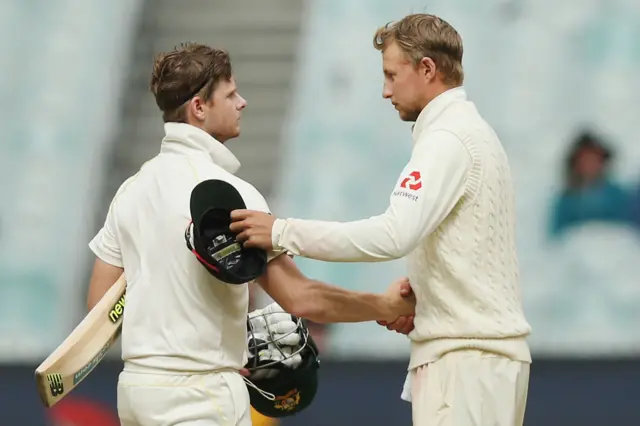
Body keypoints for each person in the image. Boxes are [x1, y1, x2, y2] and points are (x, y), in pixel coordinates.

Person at [86, 42, 415, 426]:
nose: (241, 103)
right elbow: (302, 297)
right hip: (202, 396)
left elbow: (100, 308)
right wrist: (386, 305)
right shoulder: (233, 196)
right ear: (198, 108)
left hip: (137, 392)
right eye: (230, 94)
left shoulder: (130, 191)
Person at [229, 14, 533, 426]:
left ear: (427, 69)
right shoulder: (466, 131)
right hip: (478, 357)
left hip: (467, 360)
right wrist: (428, 295)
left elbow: (393, 234)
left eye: (392, 75)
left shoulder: (448, 138)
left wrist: (282, 231)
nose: (386, 90)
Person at [549, 130, 631, 239]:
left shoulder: (618, 195)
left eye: (594, 159)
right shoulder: (567, 200)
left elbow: (628, 229)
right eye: (585, 160)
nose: (590, 164)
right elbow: (557, 237)